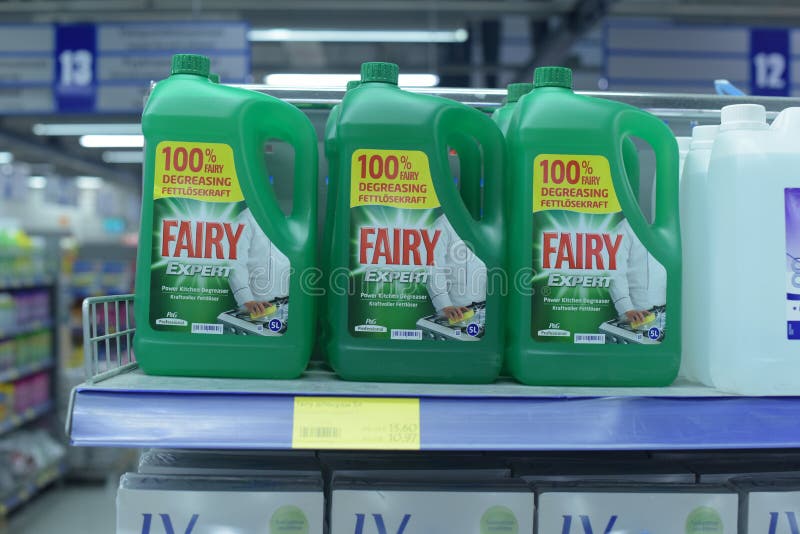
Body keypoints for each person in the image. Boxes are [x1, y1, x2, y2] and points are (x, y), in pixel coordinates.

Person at [228, 208, 290, 317]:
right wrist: (246, 300)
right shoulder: (246, 218)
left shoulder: (291, 214)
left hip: (287, 304)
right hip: (257, 307)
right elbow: (235, 262)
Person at [426, 214, 486, 322]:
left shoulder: (492, 218)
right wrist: (445, 305)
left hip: (487, 309)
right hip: (456, 310)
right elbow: (434, 266)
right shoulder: (444, 223)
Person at [608, 218, 666, 325]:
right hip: (638, 312)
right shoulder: (625, 227)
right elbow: (615, 271)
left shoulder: (671, 225)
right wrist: (627, 309)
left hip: (666, 311)